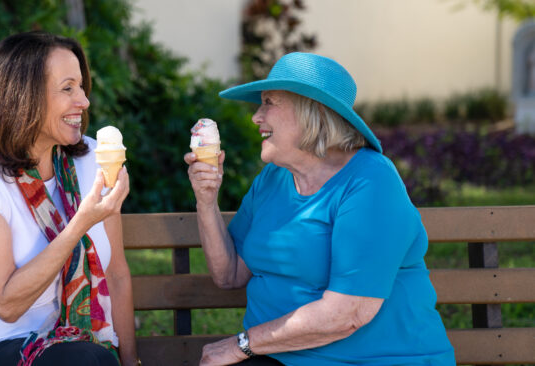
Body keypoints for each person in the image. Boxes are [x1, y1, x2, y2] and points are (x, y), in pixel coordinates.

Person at [185, 52, 455, 365]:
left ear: (310, 110)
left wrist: (240, 345)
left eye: (269, 102)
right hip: (278, 357)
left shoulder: (371, 181)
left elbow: (348, 314)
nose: (256, 117)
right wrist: (206, 200)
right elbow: (229, 274)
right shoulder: (272, 179)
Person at [0, 31, 139, 366]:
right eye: (67, 88)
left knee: (89, 358)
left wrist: (132, 363)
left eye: (81, 86)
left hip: (79, 353)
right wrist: (79, 225)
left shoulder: (92, 159)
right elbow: (6, 304)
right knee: (84, 359)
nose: (84, 101)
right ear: (24, 97)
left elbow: (116, 274)